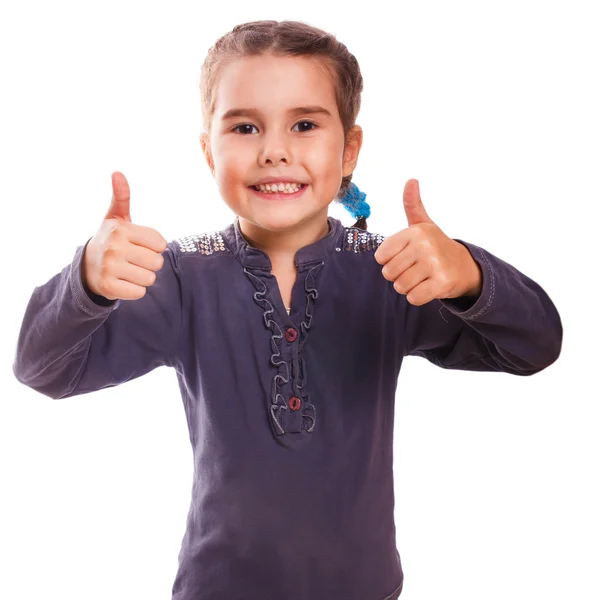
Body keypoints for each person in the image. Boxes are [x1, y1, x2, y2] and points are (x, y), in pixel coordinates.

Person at [12, 19, 563, 600]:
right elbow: (44, 368)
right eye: (245, 127)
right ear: (208, 151)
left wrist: (469, 274)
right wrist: (87, 284)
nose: (274, 151)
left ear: (348, 149)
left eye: (304, 124)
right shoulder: (179, 276)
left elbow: (535, 347)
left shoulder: (393, 271)